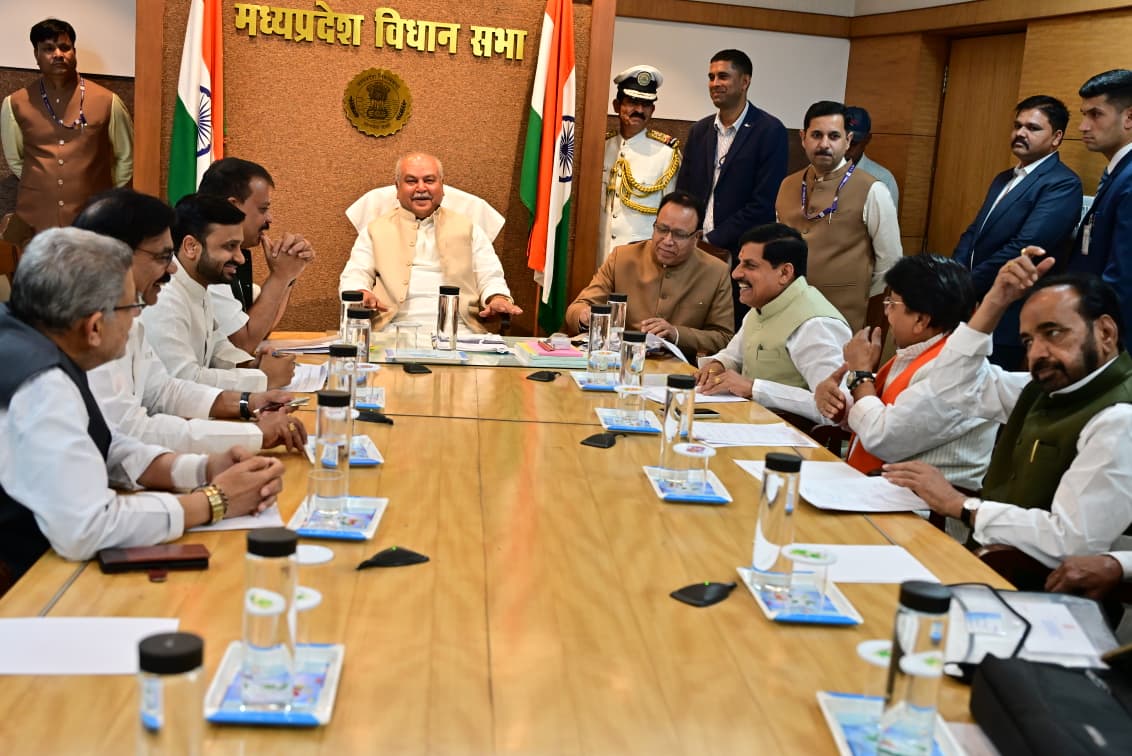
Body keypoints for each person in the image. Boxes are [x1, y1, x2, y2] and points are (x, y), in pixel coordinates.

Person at [0, 228, 284, 592]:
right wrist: (214, 501)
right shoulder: (42, 385)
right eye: (131, 306)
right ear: (94, 327)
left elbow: (103, 443)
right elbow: (87, 527)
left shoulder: (32, 337)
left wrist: (202, 468)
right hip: (28, 589)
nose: (138, 316)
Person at [883, 253, 1132, 570]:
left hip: (1034, 584)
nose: (1037, 353)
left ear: (1106, 333)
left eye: (1053, 332)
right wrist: (995, 301)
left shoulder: (1120, 417)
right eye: (1028, 341)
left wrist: (961, 505)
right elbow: (952, 386)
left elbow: (1070, 541)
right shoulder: (1046, 387)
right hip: (987, 561)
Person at [73, 189, 307, 454]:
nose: (173, 267)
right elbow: (132, 432)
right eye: (163, 256)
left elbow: (163, 390)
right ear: (115, 257)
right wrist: (255, 414)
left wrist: (249, 400)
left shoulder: (132, 311)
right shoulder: (116, 318)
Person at [814, 255, 996, 491]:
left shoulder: (957, 369)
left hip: (920, 505)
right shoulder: (918, 353)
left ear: (920, 320)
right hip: (879, 489)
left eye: (892, 304)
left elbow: (884, 439)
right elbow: (890, 416)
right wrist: (840, 406)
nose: (886, 313)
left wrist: (860, 375)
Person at [952, 95, 1082, 370]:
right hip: (973, 304)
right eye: (1017, 125)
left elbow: (1025, 247)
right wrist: (954, 275)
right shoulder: (1003, 178)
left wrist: (967, 285)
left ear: (1056, 137)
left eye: (1033, 128)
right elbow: (974, 233)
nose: (1021, 133)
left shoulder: (1062, 183)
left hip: (1012, 313)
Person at [339, 152, 522, 333]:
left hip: (460, 330)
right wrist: (361, 292)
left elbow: (490, 275)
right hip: (392, 329)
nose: (421, 188)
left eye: (429, 180)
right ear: (397, 188)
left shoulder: (469, 228)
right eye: (411, 181)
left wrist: (497, 298)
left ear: (442, 186)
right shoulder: (375, 230)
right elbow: (355, 274)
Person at [676, 49, 788, 327]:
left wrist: (712, 239)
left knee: (731, 329)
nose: (715, 83)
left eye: (723, 76)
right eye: (711, 77)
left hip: (741, 255)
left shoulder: (769, 131)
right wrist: (688, 236)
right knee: (691, 326)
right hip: (695, 252)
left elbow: (763, 203)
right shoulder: (700, 131)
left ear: (745, 81)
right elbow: (685, 193)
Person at [695, 223, 850, 423]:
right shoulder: (763, 305)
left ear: (785, 273)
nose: (736, 273)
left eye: (750, 265)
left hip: (790, 437)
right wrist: (718, 364)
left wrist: (754, 389)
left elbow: (835, 409)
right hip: (746, 424)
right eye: (740, 263)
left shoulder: (815, 324)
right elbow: (734, 355)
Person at [141, 194, 294, 391]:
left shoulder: (198, 285)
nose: (240, 258)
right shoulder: (164, 299)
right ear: (191, 247)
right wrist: (263, 378)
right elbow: (183, 381)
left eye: (239, 246)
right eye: (230, 246)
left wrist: (251, 365)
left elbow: (216, 347)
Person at [775, 100, 901, 332]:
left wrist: (860, 295)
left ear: (848, 140)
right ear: (803, 138)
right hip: (787, 313)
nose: (824, 144)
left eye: (834, 136)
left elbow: (890, 262)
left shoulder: (873, 189)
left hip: (842, 320)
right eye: (816, 135)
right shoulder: (787, 185)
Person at [0, 18, 133, 233]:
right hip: (34, 220)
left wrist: (99, 190)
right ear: (36, 54)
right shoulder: (14, 103)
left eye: (65, 47)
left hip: (92, 221)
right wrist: (43, 184)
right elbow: (16, 159)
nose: (58, 54)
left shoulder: (108, 101)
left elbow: (125, 157)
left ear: (74, 52)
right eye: (48, 49)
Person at [565, 191, 732, 358]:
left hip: (679, 367)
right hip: (620, 359)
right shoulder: (622, 258)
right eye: (662, 229)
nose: (667, 240)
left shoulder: (716, 272)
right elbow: (577, 308)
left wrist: (676, 333)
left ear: (697, 237)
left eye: (679, 234)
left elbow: (724, 337)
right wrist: (584, 316)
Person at [196, 157, 314, 354]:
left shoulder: (235, 256)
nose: (269, 219)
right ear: (233, 207)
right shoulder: (207, 260)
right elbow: (242, 345)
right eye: (263, 209)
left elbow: (261, 331)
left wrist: (288, 274)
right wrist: (280, 276)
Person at [1066, 70, 1132, 341]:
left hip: (1110, 335)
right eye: (1084, 114)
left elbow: (1124, 277)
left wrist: (1095, 338)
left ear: (1129, 118)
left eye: (1096, 114)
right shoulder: (1119, 173)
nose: (1083, 126)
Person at [598, 65, 681, 265]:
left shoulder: (666, 154)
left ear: (653, 110)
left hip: (641, 262)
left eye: (646, 104)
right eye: (632, 102)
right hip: (598, 255)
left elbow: (672, 217)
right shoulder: (600, 148)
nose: (639, 110)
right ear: (616, 105)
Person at [844, 106, 899, 212]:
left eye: (854, 142)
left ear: (867, 139)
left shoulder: (883, 180)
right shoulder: (818, 172)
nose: (846, 147)